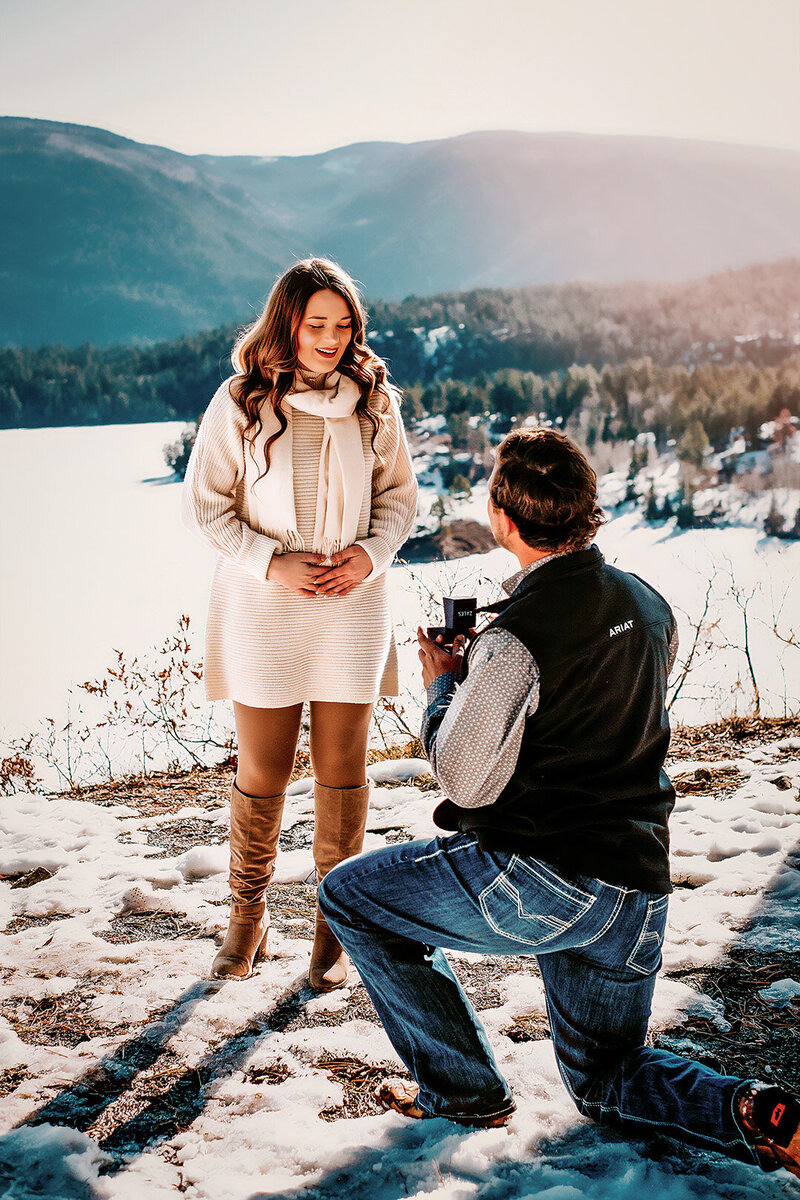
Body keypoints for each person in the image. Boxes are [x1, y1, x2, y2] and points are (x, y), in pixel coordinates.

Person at [319, 428, 800, 1177]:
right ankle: (754, 1111)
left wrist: (447, 684)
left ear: (503, 519)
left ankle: (464, 1090)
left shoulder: (515, 641)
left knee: (349, 894)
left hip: (544, 880)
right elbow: (598, 708)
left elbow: (466, 782)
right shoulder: (647, 603)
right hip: (636, 884)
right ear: (589, 510)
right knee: (607, 1081)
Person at [182, 257, 418, 990]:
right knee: (266, 770)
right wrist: (269, 561)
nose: (330, 338)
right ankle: (246, 917)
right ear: (286, 322)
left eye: (343, 326)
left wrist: (369, 557)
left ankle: (334, 924)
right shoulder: (241, 401)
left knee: (343, 771)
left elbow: (401, 501)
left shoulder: (375, 405)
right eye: (317, 324)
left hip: (351, 603)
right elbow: (206, 505)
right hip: (264, 604)